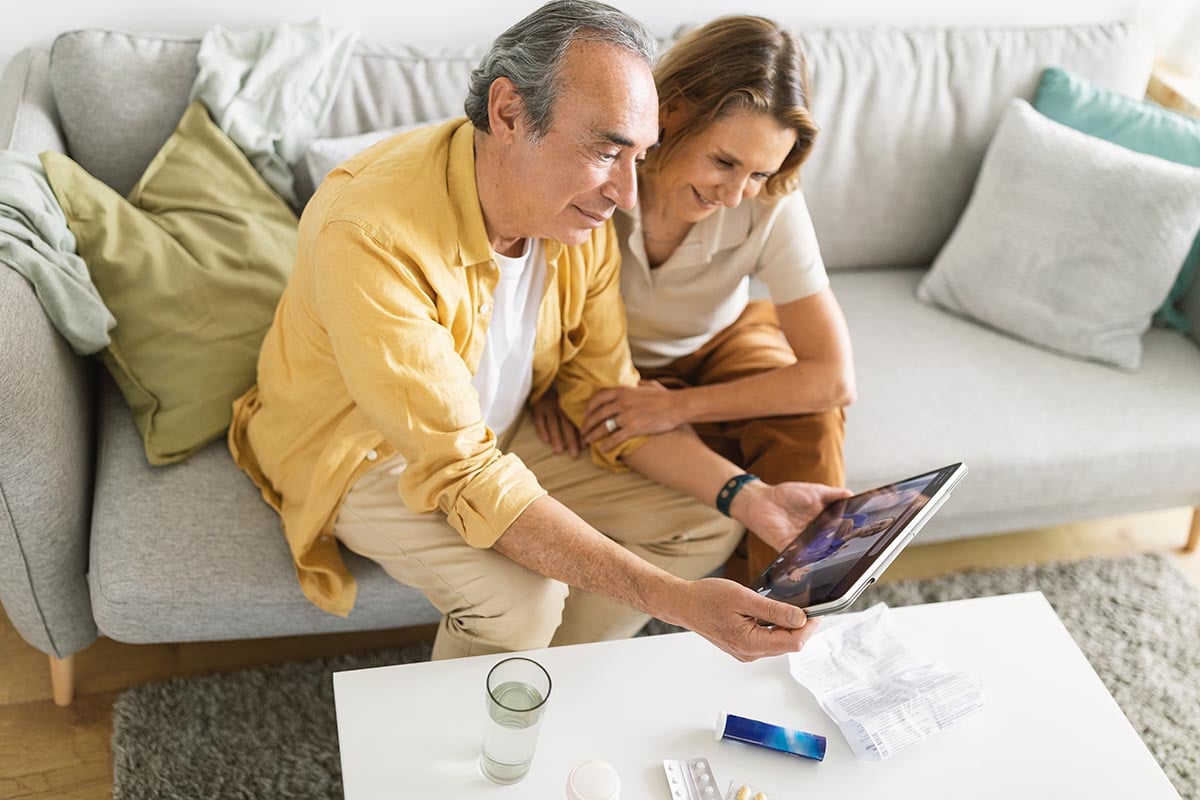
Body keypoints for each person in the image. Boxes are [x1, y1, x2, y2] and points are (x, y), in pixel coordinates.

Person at [228, 0, 851, 664]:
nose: (628, 195)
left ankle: (535, 685)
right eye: (608, 149)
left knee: (702, 524)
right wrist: (675, 601)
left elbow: (603, 395)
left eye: (637, 156)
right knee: (522, 600)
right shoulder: (371, 230)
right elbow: (462, 467)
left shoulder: (577, 216)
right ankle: (468, 739)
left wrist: (754, 497)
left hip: (495, 429)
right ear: (507, 113)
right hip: (364, 449)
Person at [532, 16, 856, 582]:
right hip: (602, 362)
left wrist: (679, 407)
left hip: (722, 340)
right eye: (725, 162)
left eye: (759, 172)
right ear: (672, 111)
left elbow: (832, 377)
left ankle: (797, 603)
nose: (734, 195)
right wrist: (539, 386)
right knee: (619, 432)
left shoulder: (771, 203)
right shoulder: (592, 171)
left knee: (811, 417)